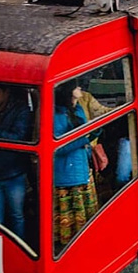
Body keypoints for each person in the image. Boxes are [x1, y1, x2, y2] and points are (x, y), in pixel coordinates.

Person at [52, 83, 97, 248]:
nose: (80, 89)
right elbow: (58, 148)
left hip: (82, 167)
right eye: (77, 87)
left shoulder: (78, 109)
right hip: (67, 174)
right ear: (69, 92)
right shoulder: (55, 115)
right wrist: (85, 138)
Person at [0, 87, 34, 240]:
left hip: (14, 172)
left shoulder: (20, 110)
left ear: (6, 92)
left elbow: (18, 137)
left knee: (16, 215)